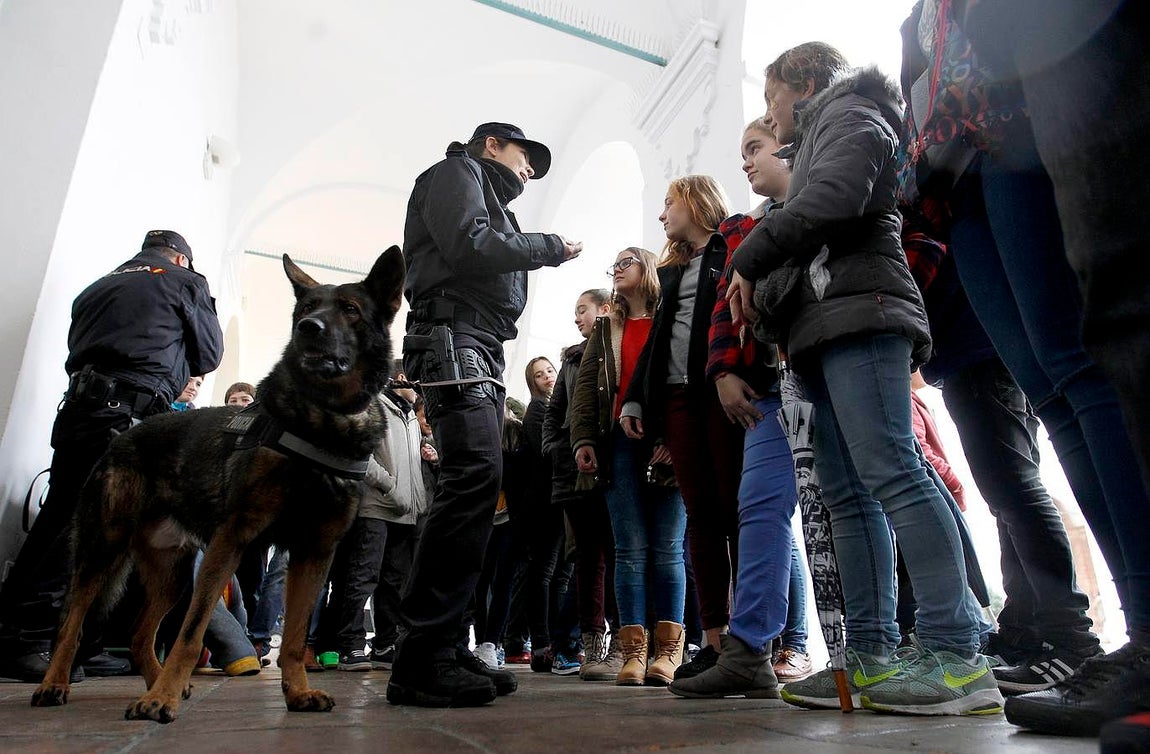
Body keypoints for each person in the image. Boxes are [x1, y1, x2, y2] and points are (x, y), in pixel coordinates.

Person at [725, 43, 1002, 716]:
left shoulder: (855, 110)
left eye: (771, 100)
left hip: (865, 314)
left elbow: (834, 201)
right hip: (821, 329)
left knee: (894, 471)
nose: (770, 115)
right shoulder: (820, 136)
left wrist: (751, 257)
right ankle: (871, 656)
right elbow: (808, 232)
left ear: (807, 83)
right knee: (847, 495)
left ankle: (959, 652)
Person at [902, 1, 1148, 734]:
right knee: (1052, 387)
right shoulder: (918, 13)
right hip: (957, 182)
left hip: (1017, 125)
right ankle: (1137, 642)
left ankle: (1136, 619)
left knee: (1082, 367)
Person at [387, 122, 582, 708]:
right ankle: (424, 655)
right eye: (527, 156)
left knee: (475, 483)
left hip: (477, 341)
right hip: (455, 336)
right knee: (471, 479)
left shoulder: (486, 190)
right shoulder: (457, 173)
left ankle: (442, 642)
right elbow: (470, 243)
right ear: (492, 144)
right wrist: (548, 247)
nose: (530, 170)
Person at [0, 229, 223, 682]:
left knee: (59, 519)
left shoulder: (99, 286)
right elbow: (210, 353)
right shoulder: (185, 282)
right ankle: (29, 641)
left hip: (80, 410)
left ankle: (63, 643)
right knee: (82, 533)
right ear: (181, 259)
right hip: (127, 418)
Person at [670, 121, 808, 698]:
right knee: (756, 509)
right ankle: (749, 648)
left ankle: (910, 642)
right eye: (743, 152)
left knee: (869, 494)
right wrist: (724, 370)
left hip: (823, 367)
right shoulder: (742, 231)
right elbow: (730, 308)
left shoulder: (829, 198)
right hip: (769, 386)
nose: (746, 162)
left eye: (754, 148)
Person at [615, 176, 737, 686]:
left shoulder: (732, 245)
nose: (663, 215)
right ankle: (713, 641)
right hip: (679, 401)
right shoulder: (670, 270)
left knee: (737, 513)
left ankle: (756, 641)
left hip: (723, 392)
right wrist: (640, 399)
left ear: (696, 200)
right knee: (702, 520)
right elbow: (658, 344)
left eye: (670, 203)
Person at [570, 247, 687, 687]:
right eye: (612, 265)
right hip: (618, 442)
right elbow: (585, 388)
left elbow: (682, 377)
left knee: (668, 548)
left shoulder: (671, 315)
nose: (615, 271)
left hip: (667, 440)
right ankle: (633, 654)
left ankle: (668, 652)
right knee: (629, 550)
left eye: (625, 262)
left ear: (648, 266)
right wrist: (582, 439)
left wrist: (675, 439)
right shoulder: (607, 326)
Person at [543, 288, 623, 682]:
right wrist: (559, 450)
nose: (577, 318)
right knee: (588, 558)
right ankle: (591, 643)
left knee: (617, 554)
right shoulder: (572, 361)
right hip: (572, 473)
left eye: (582, 310)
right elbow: (555, 412)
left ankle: (626, 640)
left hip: (613, 465)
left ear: (604, 309)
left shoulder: (620, 346)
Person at [517, 356, 581, 674]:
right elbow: (548, 452)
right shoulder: (538, 411)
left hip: (561, 500)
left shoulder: (559, 407)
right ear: (533, 383)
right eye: (539, 375)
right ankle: (543, 643)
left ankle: (559, 644)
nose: (547, 377)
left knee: (561, 576)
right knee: (544, 573)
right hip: (545, 503)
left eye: (549, 371)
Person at [368, 374, 435, 670]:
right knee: (370, 577)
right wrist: (392, 488)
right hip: (382, 507)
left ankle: (391, 641)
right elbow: (367, 457)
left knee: (399, 579)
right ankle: (358, 643)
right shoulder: (378, 409)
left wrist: (416, 501)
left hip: (410, 511)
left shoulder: (408, 418)